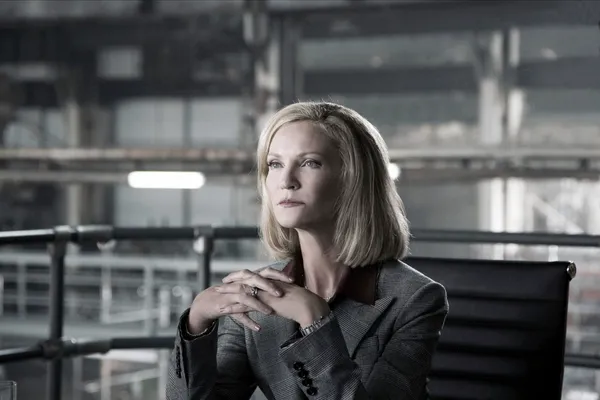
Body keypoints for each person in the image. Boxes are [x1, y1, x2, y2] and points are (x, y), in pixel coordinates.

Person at [167, 101, 449, 400]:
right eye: (275, 164)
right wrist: (196, 324)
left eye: (310, 163)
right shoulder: (260, 291)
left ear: (353, 180)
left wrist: (314, 320)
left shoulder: (416, 299)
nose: (286, 181)